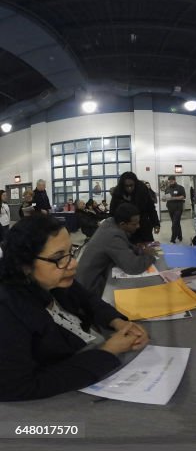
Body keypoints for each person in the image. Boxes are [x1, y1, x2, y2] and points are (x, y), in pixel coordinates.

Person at [0, 215, 149, 401]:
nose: (73, 263)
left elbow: (88, 300)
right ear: (25, 266)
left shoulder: (53, 280)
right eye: (58, 258)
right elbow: (15, 387)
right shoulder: (8, 312)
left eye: (71, 252)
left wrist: (117, 322)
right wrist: (109, 351)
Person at [75, 204, 158, 298]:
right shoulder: (113, 235)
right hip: (90, 288)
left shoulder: (110, 222)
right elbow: (133, 267)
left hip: (85, 281)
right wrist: (149, 256)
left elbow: (125, 245)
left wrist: (139, 250)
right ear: (122, 224)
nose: (138, 226)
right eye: (134, 224)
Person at [109, 172, 160, 244]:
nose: (129, 188)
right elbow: (112, 212)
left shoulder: (142, 189)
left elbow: (151, 208)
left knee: (148, 246)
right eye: (126, 186)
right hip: (127, 226)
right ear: (122, 185)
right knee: (129, 248)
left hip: (143, 223)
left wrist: (156, 224)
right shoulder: (118, 192)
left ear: (135, 183)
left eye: (131, 185)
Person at [164, 176, 187, 244]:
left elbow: (183, 196)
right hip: (170, 208)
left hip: (178, 208)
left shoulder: (180, 187)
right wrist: (164, 199)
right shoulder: (167, 188)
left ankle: (172, 239)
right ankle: (180, 236)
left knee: (174, 224)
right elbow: (166, 197)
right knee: (176, 223)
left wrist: (173, 198)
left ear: (174, 180)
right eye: (169, 181)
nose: (170, 182)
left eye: (171, 181)